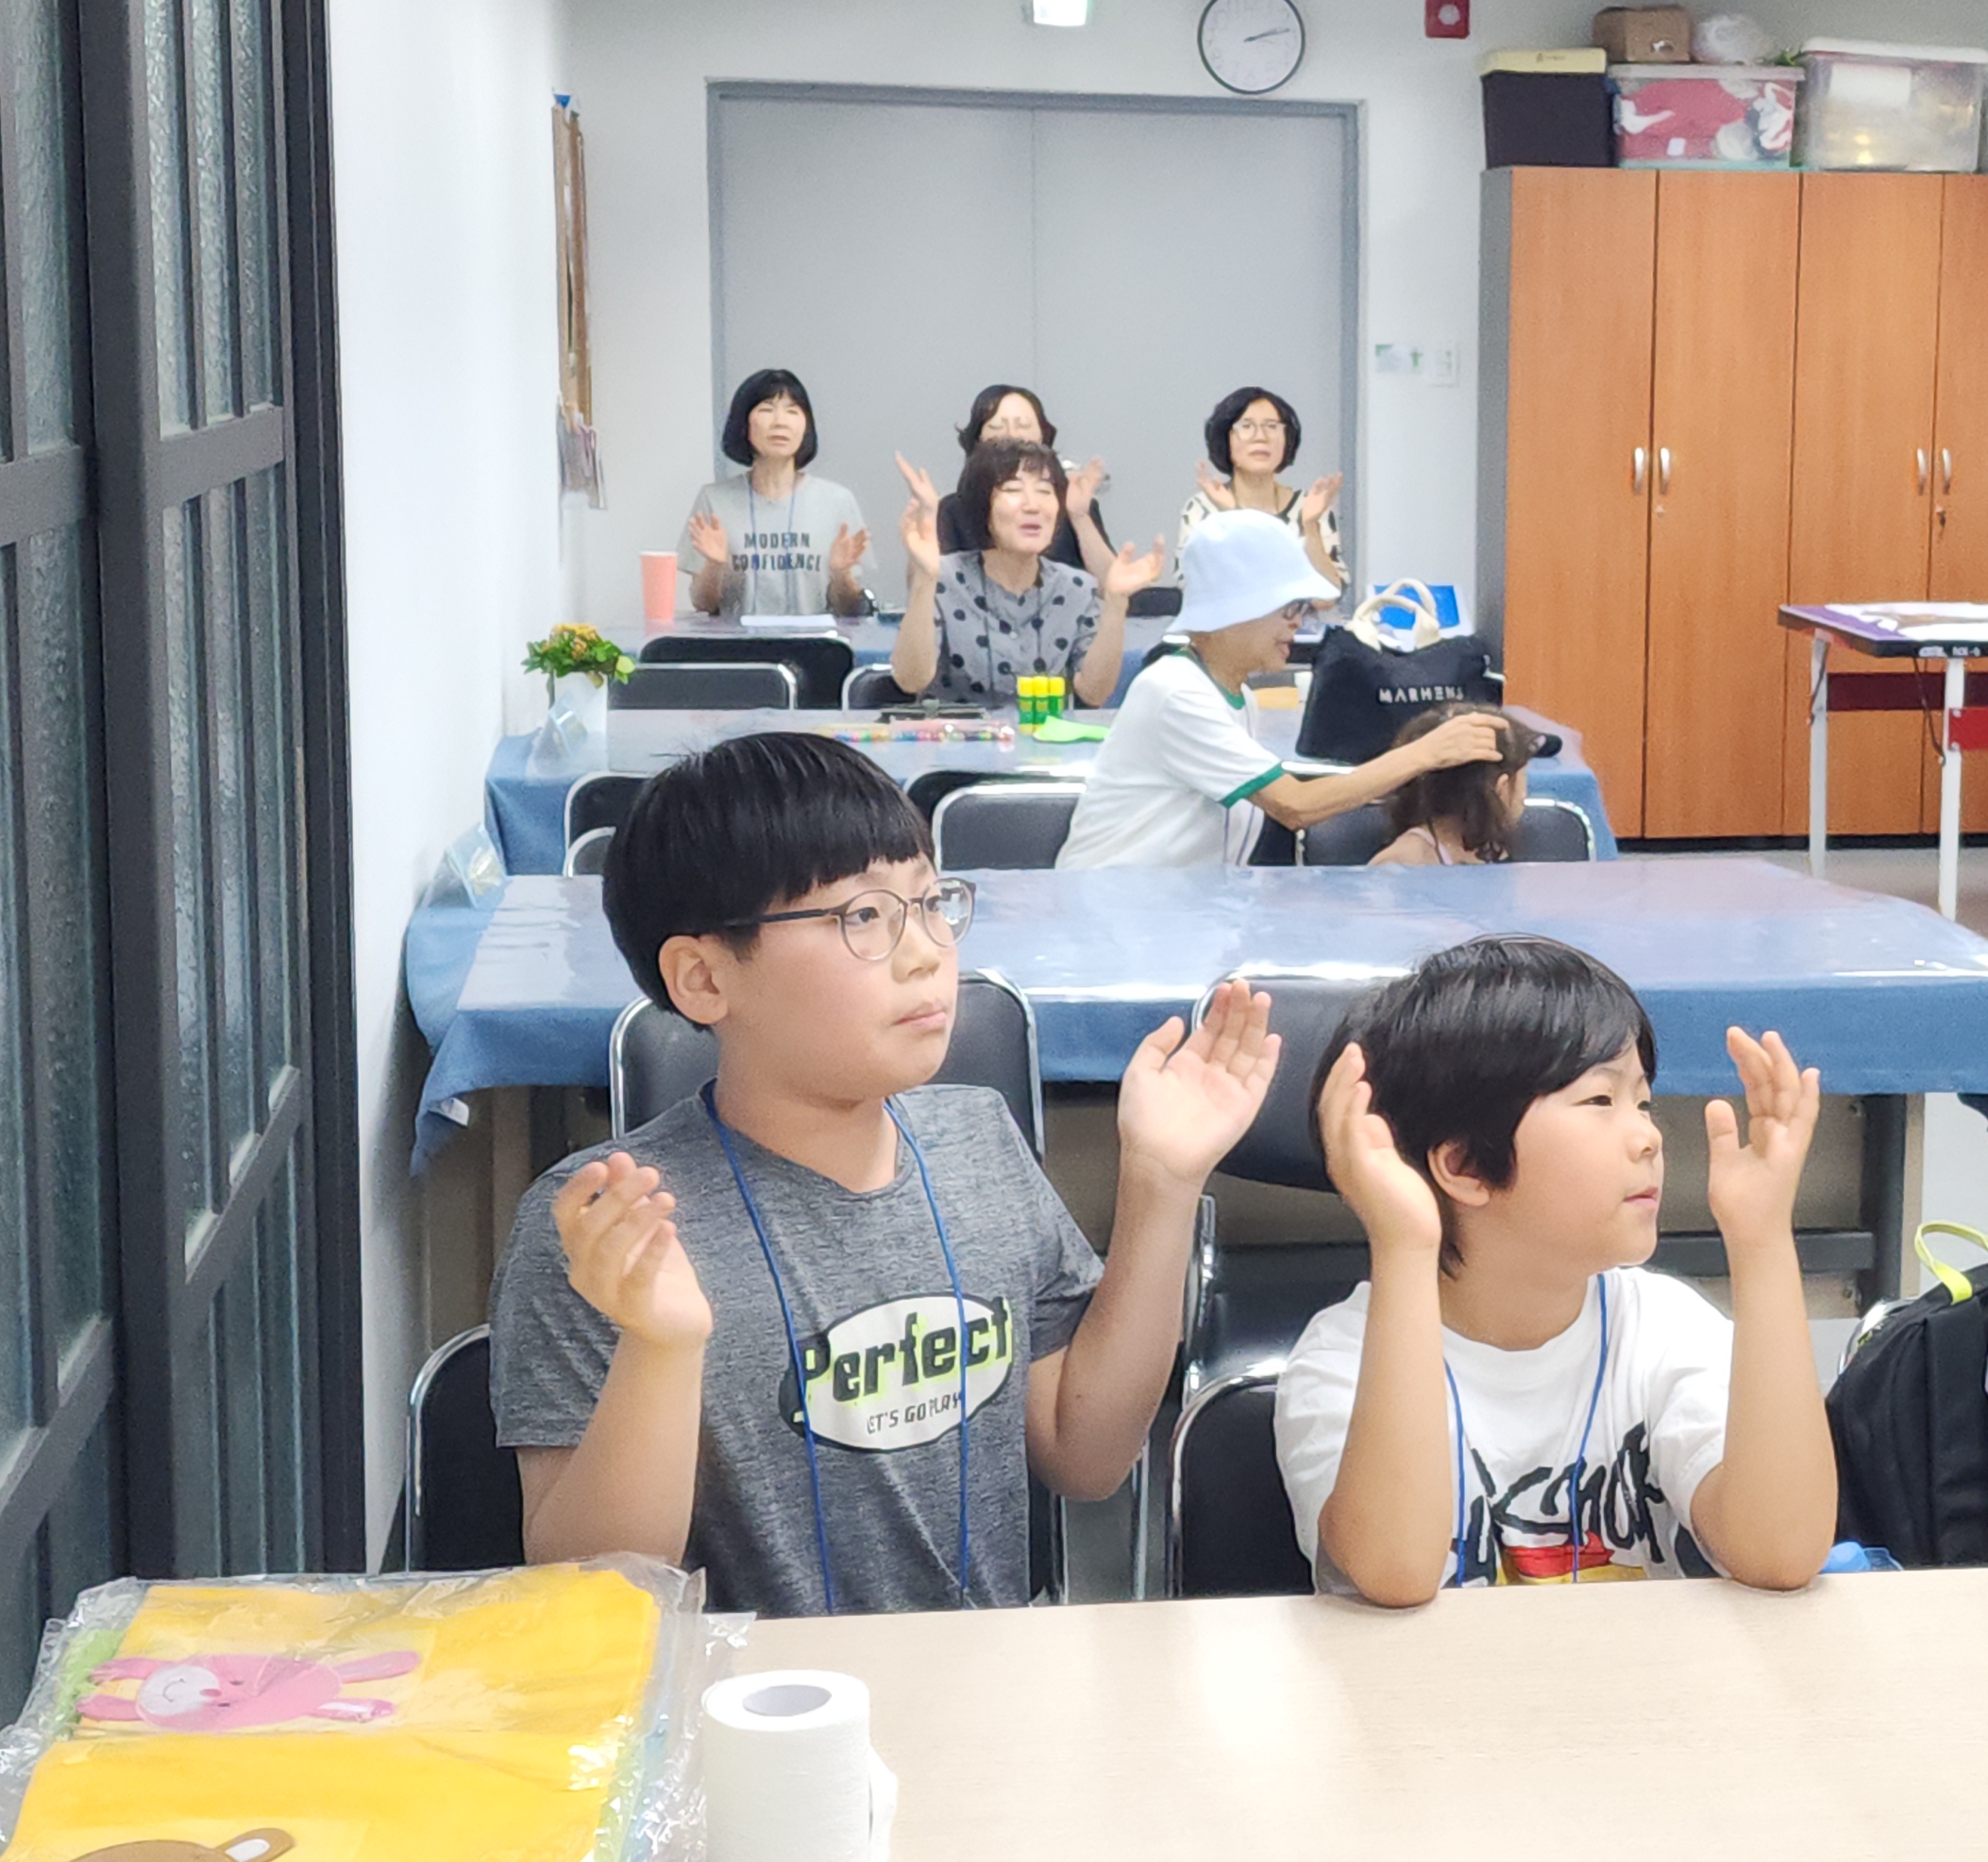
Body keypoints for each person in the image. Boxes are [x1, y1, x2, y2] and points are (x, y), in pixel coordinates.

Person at [487, 730, 1279, 1613]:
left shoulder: (979, 1140)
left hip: (979, 1682)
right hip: (749, 1695)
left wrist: (1163, 1185)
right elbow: (593, 1593)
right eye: (864, 916)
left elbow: (1085, 1456)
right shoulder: (609, 1225)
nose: (926, 950)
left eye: (931, 903)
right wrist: (659, 1348)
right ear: (703, 979)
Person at [1279, 936, 1837, 1602]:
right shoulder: (1339, 1360)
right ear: (1465, 1165)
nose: (1649, 1137)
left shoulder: (1661, 1327)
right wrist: (1403, 1245)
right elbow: (1396, 1573)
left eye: (1643, 1102)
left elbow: (1781, 1550)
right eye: (1600, 1101)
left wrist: (1762, 1239)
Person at [1055, 512, 1508, 869]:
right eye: (1289, 607)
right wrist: (1427, 752)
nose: (1298, 623)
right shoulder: (1176, 693)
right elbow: (1296, 806)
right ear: (1233, 608)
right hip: (1113, 912)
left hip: (1168, 912)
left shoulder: (1235, 696)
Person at [886, 442, 1164, 711]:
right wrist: (925, 578)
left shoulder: (1077, 588)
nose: (1033, 505)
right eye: (1012, 489)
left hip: (1045, 740)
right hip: (958, 739)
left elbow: (1094, 693)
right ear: (982, 506)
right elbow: (910, 680)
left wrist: (1116, 604)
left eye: (1044, 491)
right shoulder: (946, 578)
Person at [685, 369, 869, 619]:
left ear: (806, 426)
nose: (780, 421)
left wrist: (840, 574)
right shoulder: (714, 500)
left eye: (792, 411)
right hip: (738, 643)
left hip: (815, 642)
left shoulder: (837, 501)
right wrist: (715, 566)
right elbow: (703, 604)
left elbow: (850, 610)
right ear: (744, 424)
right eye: (766, 409)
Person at [1176, 387, 1345, 593]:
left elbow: (1327, 597)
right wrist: (1232, 516)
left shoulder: (1310, 508)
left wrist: (1310, 527)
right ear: (1225, 439)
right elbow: (1201, 592)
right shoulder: (1203, 509)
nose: (1261, 437)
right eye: (1246, 426)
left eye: (1272, 426)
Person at [939, 384, 1115, 579]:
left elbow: (1112, 585)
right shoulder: (953, 509)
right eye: (997, 427)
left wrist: (1080, 518)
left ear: (1043, 437)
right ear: (977, 440)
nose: (1012, 436)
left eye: (1023, 426)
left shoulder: (1074, 504)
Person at [1369, 702, 1536, 866]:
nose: (1524, 793)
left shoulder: (1493, 846)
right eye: (1523, 775)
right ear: (1502, 787)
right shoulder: (1402, 862)